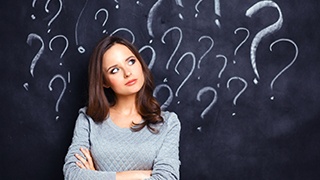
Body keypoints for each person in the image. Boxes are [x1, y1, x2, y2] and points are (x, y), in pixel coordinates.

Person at [63, 36, 181, 180]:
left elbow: (167, 178)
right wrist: (139, 175)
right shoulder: (88, 119)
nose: (127, 73)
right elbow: (72, 175)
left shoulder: (168, 122)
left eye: (131, 61)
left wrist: (96, 176)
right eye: (114, 70)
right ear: (104, 81)